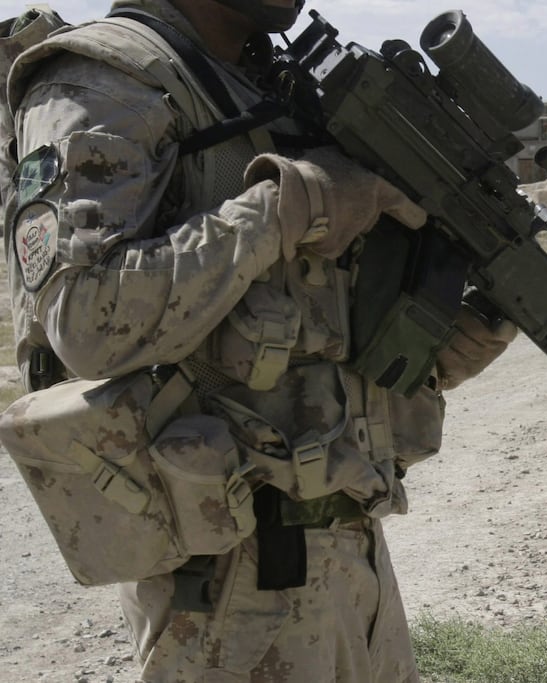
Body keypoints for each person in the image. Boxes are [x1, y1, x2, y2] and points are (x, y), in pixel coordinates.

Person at [4, 2, 515, 680]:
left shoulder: (265, 86)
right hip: (233, 587)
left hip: (350, 554)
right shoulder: (102, 81)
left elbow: (298, 340)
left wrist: (434, 350)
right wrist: (288, 205)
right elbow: (86, 319)